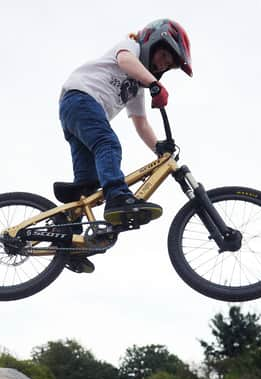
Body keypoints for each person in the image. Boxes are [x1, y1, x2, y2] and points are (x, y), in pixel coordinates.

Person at [58, 19, 192, 273]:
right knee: (108, 144)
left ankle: (68, 240)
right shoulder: (130, 47)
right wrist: (155, 84)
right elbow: (124, 61)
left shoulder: (136, 89)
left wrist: (159, 148)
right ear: (153, 42)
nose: (164, 64)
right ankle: (117, 197)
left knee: (86, 187)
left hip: (76, 114)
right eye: (165, 56)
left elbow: (140, 123)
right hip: (81, 99)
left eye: (169, 65)